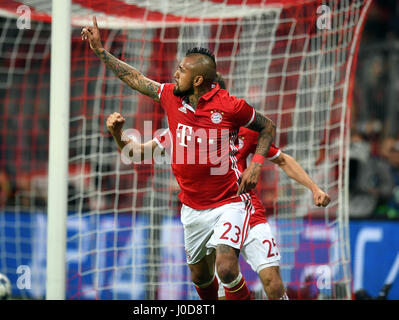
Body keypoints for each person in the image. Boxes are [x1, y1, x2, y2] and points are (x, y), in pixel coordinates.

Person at [83, 16, 276, 300]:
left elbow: (267, 127)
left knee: (225, 268)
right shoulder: (171, 101)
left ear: (198, 80)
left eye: (182, 70)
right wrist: (101, 52)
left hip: (229, 202)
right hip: (192, 209)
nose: (175, 73)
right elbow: (135, 81)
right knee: (200, 276)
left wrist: (257, 166)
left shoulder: (230, 107)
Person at [105, 107, 330, 300]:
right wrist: (118, 133)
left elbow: (282, 158)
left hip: (247, 211)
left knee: (271, 281)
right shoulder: (178, 130)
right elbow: (136, 152)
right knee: (222, 281)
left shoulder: (242, 130)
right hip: (210, 218)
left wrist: (314, 188)